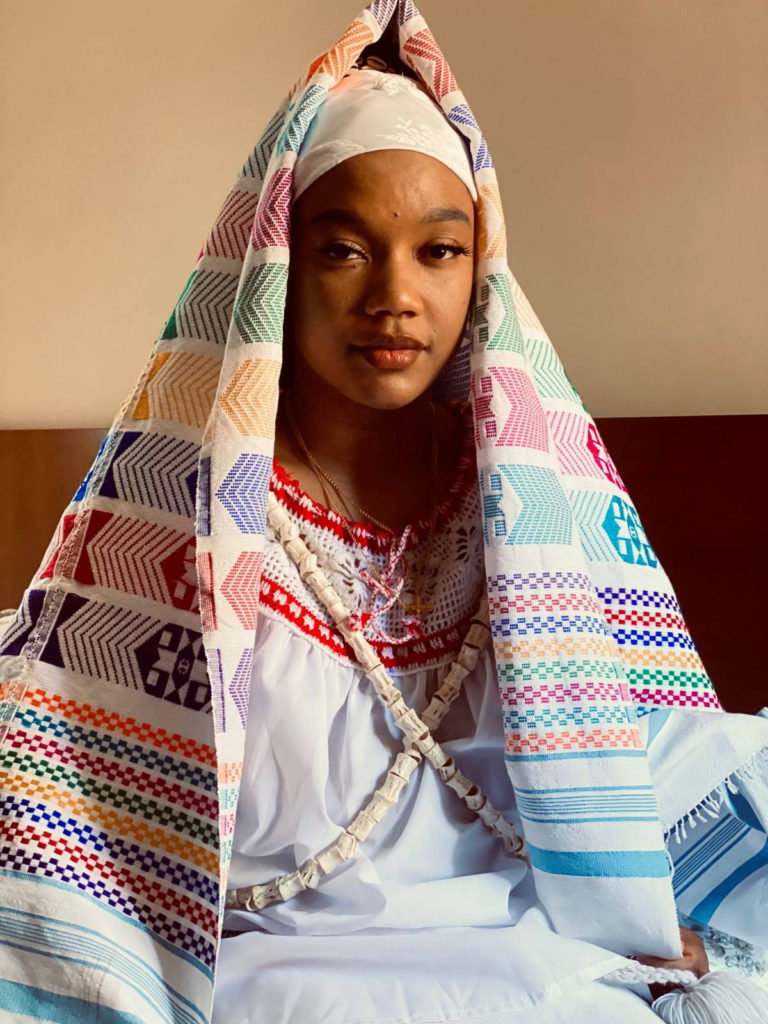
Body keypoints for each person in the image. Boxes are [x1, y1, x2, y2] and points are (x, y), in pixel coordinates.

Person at [1, 3, 766, 1023]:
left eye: (438, 251)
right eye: (346, 249)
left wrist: (654, 894)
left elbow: (644, 741)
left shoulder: (525, 499)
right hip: (281, 962)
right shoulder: (183, 514)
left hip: (527, 940)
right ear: (279, 265)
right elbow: (69, 778)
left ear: (479, 266)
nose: (394, 296)